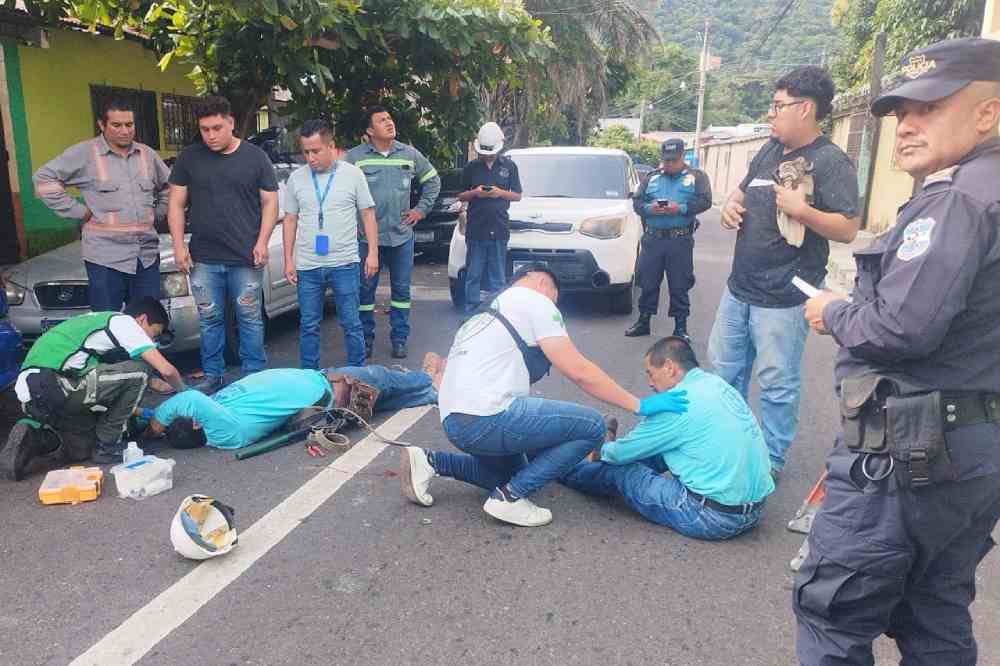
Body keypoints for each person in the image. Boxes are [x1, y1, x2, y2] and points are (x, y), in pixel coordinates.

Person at [793, 38, 1000, 665]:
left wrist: (835, 311)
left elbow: (902, 331)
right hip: (972, 451)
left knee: (833, 615)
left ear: (988, 114)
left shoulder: (958, 201)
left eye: (930, 109)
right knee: (933, 610)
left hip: (905, 459)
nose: (908, 126)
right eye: (902, 111)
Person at [397, 263, 689, 528]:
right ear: (540, 282)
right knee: (592, 426)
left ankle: (430, 461)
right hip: (488, 416)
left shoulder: (484, 313)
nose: (554, 305)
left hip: (456, 422)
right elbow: (578, 370)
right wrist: (639, 404)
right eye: (555, 297)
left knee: (510, 472)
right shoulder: (534, 300)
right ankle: (510, 498)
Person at [708, 66, 860, 475]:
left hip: (785, 295)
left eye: (778, 106)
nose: (771, 115)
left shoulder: (830, 162)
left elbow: (848, 228)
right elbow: (740, 193)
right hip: (739, 288)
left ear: (806, 108)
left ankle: (770, 460)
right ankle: (729, 445)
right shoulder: (769, 150)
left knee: (777, 383)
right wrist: (729, 207)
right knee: (725, 372)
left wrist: (803, 211)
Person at [561, 337, 773, 539]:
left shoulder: (677, 402)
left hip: (712, 518)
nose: (650, 383)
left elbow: (618, 455)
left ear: (669, 367)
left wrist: (598, 451)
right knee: (661, 448)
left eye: (651, 374)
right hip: (756, 510)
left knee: (621, 469)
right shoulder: (717, 385)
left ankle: (563, 469)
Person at [0, 297, 186, 478]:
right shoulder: (124, 323)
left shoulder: (95, 324)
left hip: (34, 396)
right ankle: (108, 445)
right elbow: (167, 370)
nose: (152, 341)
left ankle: (33, 435)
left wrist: (144, 413)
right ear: (142, 319)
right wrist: (186, 394)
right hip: (52, 384)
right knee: (141, 370)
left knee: (83, 447)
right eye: (153, 334)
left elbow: (106, 396)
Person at [167, 96, 279, 392]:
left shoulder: (256, 157)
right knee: (209, 318)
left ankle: (254, 375)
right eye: (205, 129)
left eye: (217, 128)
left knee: (250, 318)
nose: (211, 135)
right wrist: (179, 246)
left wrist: (263, 241)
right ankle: (213, 375)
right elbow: (176, 205)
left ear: (231, 123)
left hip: (245, 257)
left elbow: (270, 202)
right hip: (203, 258)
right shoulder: (189, 158)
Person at [33, 97, 170, 313]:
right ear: (101, 125)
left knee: (147, 322)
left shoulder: (147, 155)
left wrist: (159, 213)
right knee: (107, 323)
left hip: (145, 256)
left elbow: (170, 187)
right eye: (117, 125)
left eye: (129, 125)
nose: (124, 131)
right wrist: (80, 211)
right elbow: (43, 180)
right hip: (105, 258)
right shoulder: (84, 153)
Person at [148, 357, 444, 449]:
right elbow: (188, 397)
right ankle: (427, 378)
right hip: (330, 388)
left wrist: (141, 417)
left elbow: (189, 405)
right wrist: (157, 423)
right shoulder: (227, 429)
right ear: (198, 420)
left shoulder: (217, 420)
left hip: (323, 386)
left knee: (391, 397)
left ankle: (433, 392)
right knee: (383, 379)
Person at [345, 106, 441, 360]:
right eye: (381, 120)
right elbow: (341, 191)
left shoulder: (408, 154)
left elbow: (433, 180)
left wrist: (420, 211)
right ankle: (365, 339)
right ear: (369, 130)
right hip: (367, 240)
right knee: (364, 293)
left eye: (389, 118)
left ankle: (400, 339)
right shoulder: (355, 158)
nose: (389, 123)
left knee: (401, 292)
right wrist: (349, 222)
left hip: (401, 236)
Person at [281, 119, 379, 369]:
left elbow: (367, 214)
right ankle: (309, 378)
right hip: (308, 266)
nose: (310, 158)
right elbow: (290, 220)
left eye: (316, 151)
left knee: (351, 322)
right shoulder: (296, 179)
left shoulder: (352, 174)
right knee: (309, 325)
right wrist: (288, 260)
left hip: (344, 263)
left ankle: (357, 374)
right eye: (305, 152)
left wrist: (373, 254)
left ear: (331, 147)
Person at [625, 138, 712, 340]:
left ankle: (680, 328)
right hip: (653, 239)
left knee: (679, 284)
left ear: (683, 157)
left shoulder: (696, 177)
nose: (669, 164)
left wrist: (679, 208)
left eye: (673, 160)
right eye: (666, 160)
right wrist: (649, 209)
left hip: (679, 240)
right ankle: (643, 321)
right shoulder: (651, 178)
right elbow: (637, 203)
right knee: (647, 282)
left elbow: (705, 201)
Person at [456, 122, 522, 313]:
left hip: (499, 227)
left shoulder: (509, 166)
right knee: (473, 273)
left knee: (497, 276)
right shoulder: (471, 167)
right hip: (476, 227)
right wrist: (475, 192)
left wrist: (499, 193)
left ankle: (497, 311)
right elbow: (460, 195)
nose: (488, 155)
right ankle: (471, 311)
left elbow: (517, 195)